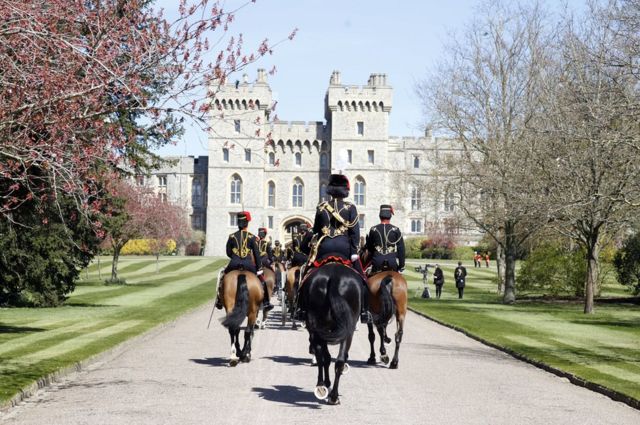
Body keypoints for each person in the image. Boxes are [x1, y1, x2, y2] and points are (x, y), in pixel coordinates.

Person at [297, 174, 370, 323]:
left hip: (324, 248)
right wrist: (354, 252)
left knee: (305, 275)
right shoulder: (351, 208)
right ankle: (364, 311)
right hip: (344, 248)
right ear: (345, 191)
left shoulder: (321, 207)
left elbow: (316, 230)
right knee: (363, 279)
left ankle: (301, 309)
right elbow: (355, 232)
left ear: (330, 190)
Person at [215, 211, 274, 311]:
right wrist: (259, 268)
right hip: (248, 264)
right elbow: (256, 254)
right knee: (262, 280)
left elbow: (228, 252)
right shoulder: (252, 237)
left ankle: (219, 300)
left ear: (238, 223)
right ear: (247, 223)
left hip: (234, 263)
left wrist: (235, 257)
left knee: (222, 277)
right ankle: (266, 302)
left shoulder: (232, 237)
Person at [365, 204, 406, 275]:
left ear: (380, 216)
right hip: (392, 262)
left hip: (377, 261)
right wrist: (401, 266)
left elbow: (370, 248)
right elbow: (401, 250)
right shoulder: (396, 230)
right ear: (390, 216)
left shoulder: (373, 229)